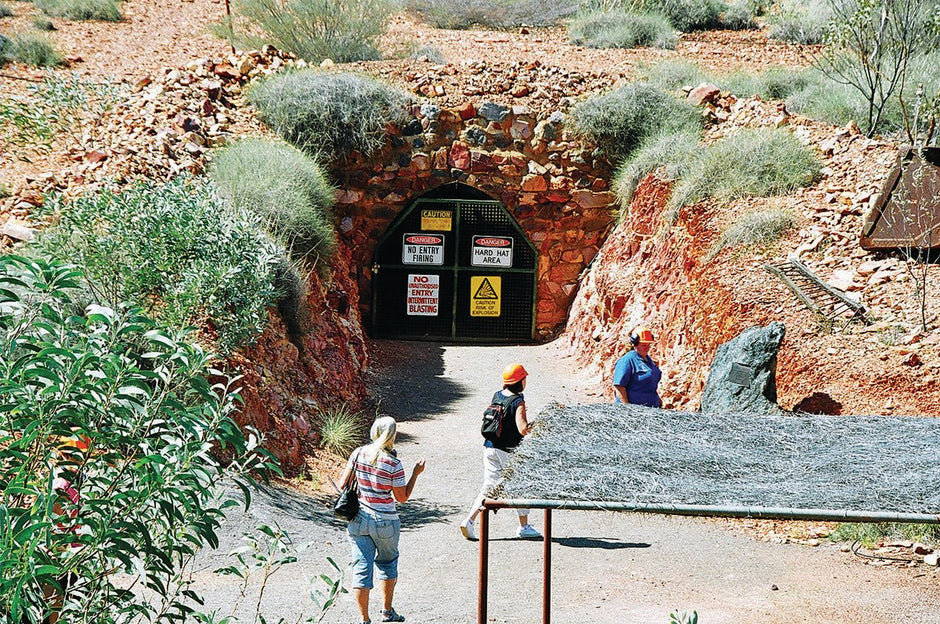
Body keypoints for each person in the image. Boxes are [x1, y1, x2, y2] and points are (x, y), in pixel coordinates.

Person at [340, 417, 425, 624]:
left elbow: (343, 483)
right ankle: (387, 612)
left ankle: (364, 619)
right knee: (387, 564)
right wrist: (415, 474)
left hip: (359, 518)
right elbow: (402, 498)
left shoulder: (358, 453)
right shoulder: (394, 464)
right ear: (392, 436)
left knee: (361, 567)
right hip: (386, 521)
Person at [459, 363, 541, 541]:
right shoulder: (518, 401)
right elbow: (523, 429)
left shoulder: (497, 395)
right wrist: (539, 424)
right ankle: (523, 526)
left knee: (489, 486)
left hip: (489, 447)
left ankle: (469, 520)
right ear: (520, 381)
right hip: (509, 451)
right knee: (521, 486)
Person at [612, 326, 662, 408]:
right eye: (643, 345)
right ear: (635, 344)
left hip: (651, 410)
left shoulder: (649, 361)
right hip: (635, 412)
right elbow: (619, 387)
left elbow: (649, 385)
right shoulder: (627, 361)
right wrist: (627, 409)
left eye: (648, 344)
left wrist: (658, 400)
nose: (647, 347)